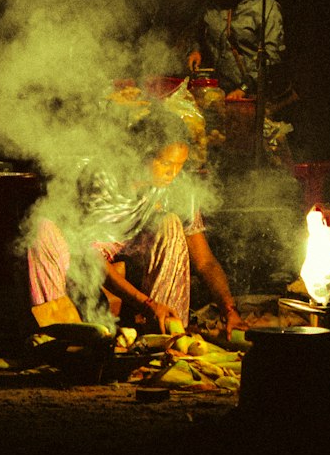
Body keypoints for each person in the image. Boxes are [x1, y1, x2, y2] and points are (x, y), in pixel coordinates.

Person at [27, 97, 243, 338]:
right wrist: (146, 304)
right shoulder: (105, 179)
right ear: (142, 152)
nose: (173, 173)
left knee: (171, 226)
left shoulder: (177, 187)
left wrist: (228, 307)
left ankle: (166, 335)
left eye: (179, 165)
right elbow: (92, 260)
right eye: (164, 163)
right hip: (82, 256)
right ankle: (59, 338)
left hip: (133, 254)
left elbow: (204, 261)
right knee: (43, 230)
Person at [186, 0, 286, 101]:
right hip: (216, 93)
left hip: (249, 98)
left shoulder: (267, 8)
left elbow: (271, 58)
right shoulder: (215, 2)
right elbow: (198, 30)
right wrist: (195, 51)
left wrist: (244, 88)